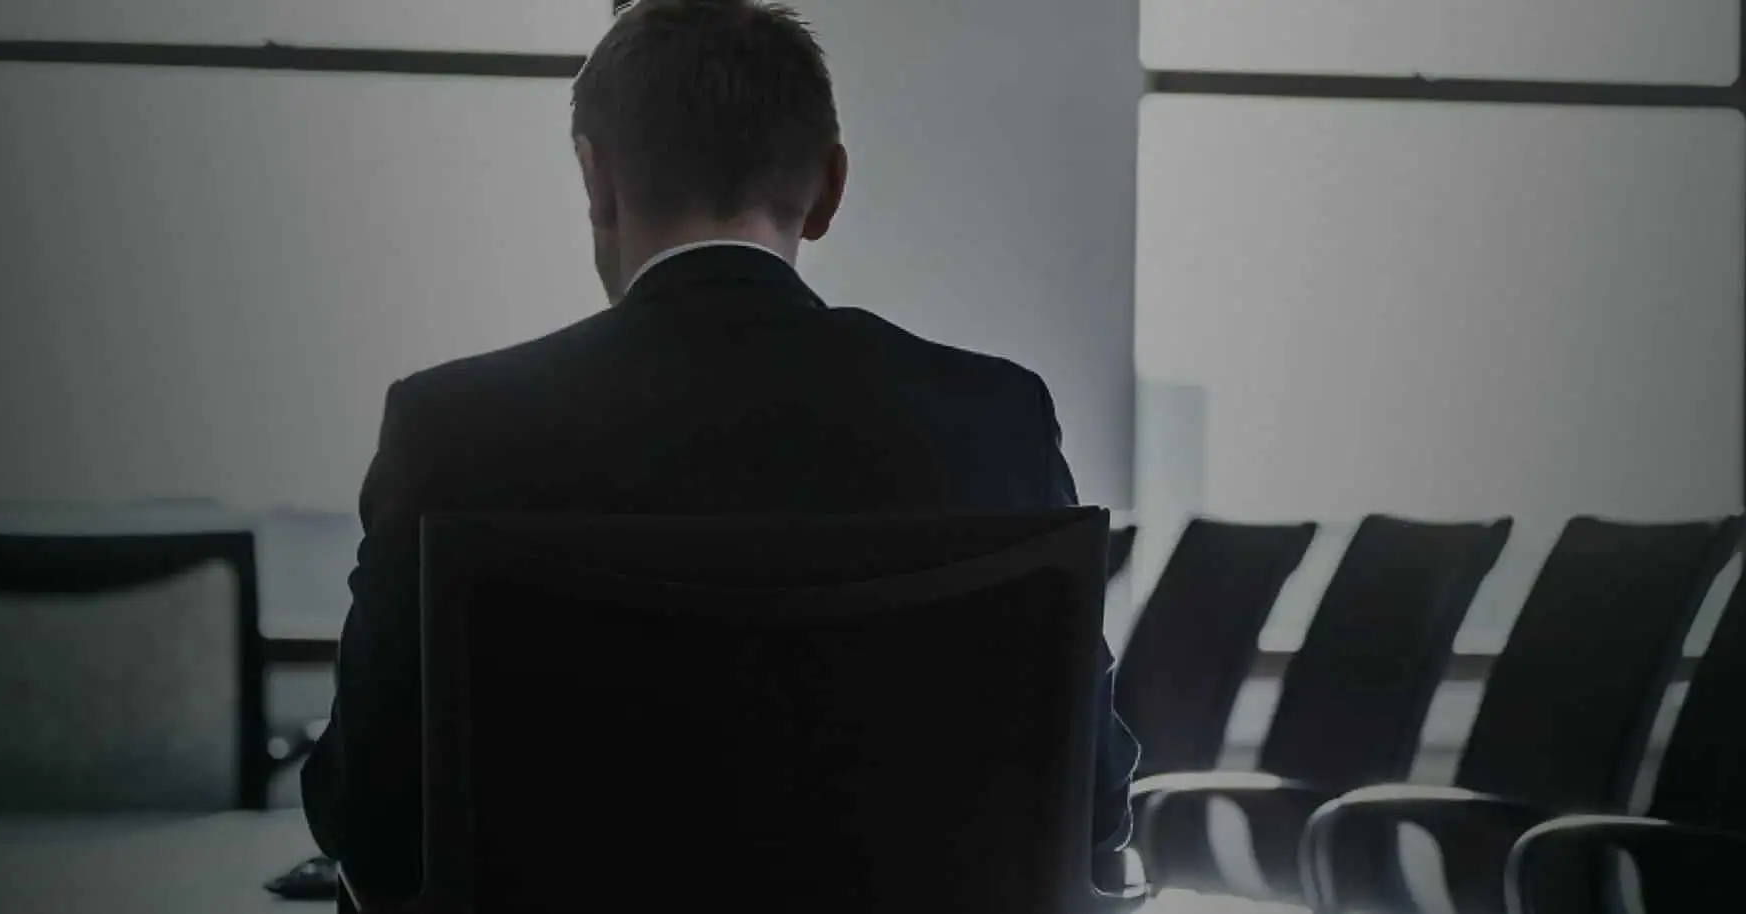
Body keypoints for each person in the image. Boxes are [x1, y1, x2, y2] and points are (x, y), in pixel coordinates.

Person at [298, 0, 1140, 906]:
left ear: (596, 181)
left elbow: (366, 817)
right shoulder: (996, 419)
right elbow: (1091, 809)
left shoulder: (451, 426)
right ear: (829, 188)